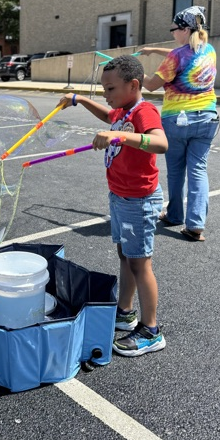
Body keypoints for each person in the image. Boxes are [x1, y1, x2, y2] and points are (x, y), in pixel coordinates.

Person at [58, 55, 168, 357]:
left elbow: (160, 143)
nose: (106, 95)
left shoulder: (145, 111)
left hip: (139, 199)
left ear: (134, 85)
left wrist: (119, 135)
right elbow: (109, 116)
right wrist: (79, 99)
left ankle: (151, 330)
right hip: (120, 196)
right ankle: (125, 311)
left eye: (111, 89)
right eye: (104, 89)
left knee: (140, 262)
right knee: (125, 254)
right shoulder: (123, 109)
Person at [137, 5, 220, 242]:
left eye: (173, 30)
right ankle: (196, 224)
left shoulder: (176, 57)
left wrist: (136, 69)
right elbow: (184, 52)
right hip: (207, 117)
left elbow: (151, 85)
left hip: (177, 119)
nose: (172, 34)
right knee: (198, 169)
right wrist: (154, 50)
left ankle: (174, 214)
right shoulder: (210, 50)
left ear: (184, 29)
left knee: (175, 170)